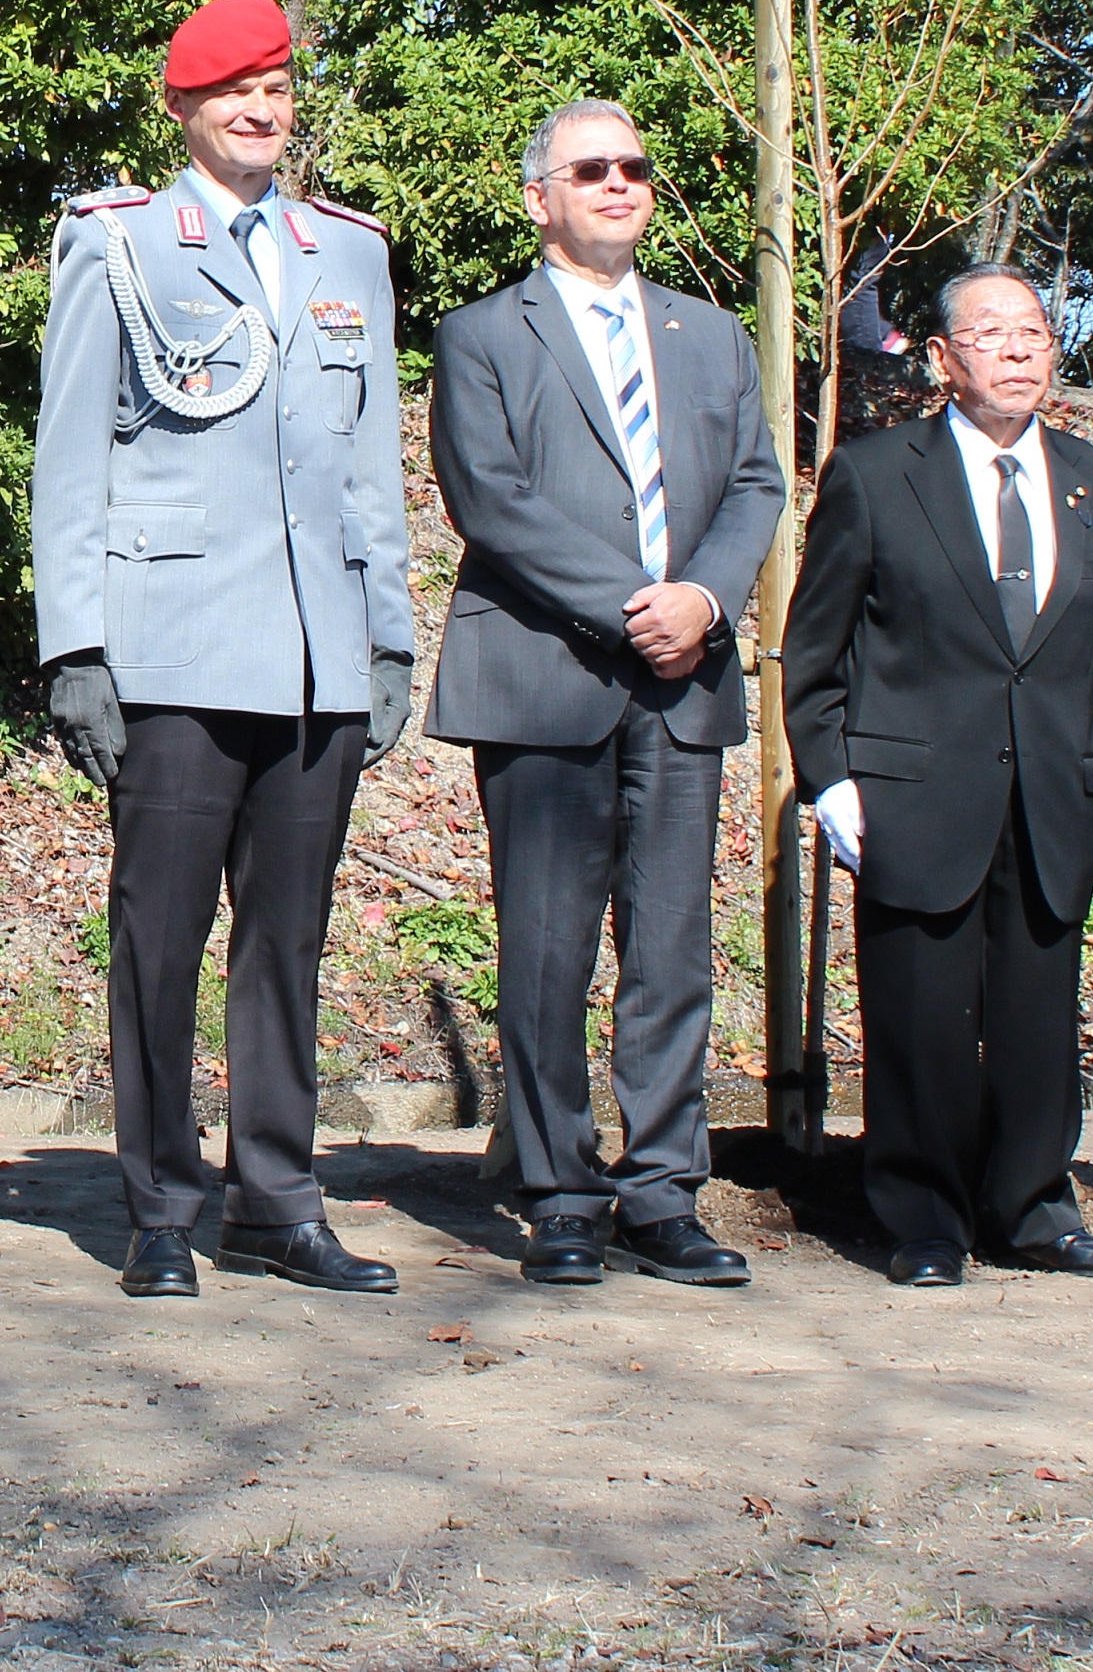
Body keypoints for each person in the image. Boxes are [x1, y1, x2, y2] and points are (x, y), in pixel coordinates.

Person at [33, 0, 416, 1302]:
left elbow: (370, 465)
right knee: (160, 934)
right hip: (174, 648)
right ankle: (157, 1202)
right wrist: (74, 646)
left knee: (288, 940)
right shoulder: (118, 242)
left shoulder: (345, 252)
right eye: (233, 90)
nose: (260, 109)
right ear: (184, 108)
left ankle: (278, 1198)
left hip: (315, 653)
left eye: (276, 88)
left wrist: (389, 639)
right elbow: (72, 450)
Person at [424, 100, 786, 1291]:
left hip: (681, 680)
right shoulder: (481, 334)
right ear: (540, 196)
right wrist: (641, 599)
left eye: (633, 165)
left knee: (673, 950)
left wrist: (705, 601)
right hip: (546, 672)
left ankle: (661, 1190)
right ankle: (559, 1188)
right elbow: (491, 498)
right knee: (544, 950)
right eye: (590, 169)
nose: (618, 183)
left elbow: (752, 482)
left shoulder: (710, 335)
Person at [782, 265, 1093, 1288]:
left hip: (1050, 798)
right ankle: (923, 1215)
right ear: (942, 358)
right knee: (918, 1016)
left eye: (1032, 331)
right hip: (911, 789)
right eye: (990, 332)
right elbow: (816, 649)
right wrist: (833, 779)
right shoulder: (874, 474)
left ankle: (1033, 1205)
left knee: (1037, 1015)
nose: (1018, 349)